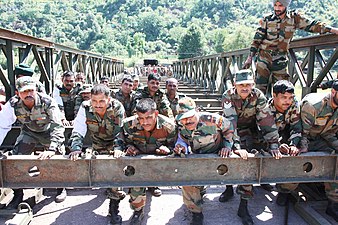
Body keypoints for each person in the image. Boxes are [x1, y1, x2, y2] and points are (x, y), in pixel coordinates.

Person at [221, 69, 281, 225]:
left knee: (259, 153)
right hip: (231, 130)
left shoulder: (258, 96)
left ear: (253, 84)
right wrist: (235, 146)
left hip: (252, 129)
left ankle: (246, 201)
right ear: (235, 85)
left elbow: (266, 119)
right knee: (229, 155)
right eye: (241, 85)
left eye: (248, 84)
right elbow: (230, 123)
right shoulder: (228, 96)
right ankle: (228, 187)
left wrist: (273, 143)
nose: (245, 88)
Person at [243, 0, 338, 95]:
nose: (277, 8)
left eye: (280, 5)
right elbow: (257, 40)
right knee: (259, 89)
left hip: (280, 59)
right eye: (275, 5)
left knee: (283, 90)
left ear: (285, 6)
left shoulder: (294, 18)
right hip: (264, 58)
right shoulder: (267, 19)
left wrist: (332, 30)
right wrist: (249, 57)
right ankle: (260, 109)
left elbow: (312, 25)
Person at [0, 76, 66, 207]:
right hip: (29, 132)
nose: (29, 94)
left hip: (48, 132)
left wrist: (52, 149)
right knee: (15, 160)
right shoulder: (13, 104)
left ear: (36, 90)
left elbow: (57, 126)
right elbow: (2, 125)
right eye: (24, 91)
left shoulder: (47, 102)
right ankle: (18, 193)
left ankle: (61, 187)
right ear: (17, 93)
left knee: (59, 158)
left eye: (31, 90)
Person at [173, 97, 238, 225]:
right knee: (188, 180)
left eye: (189, 116)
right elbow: (182, 139)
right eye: (183, 118)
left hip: (218, 153)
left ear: (196, 111)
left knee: (229, 173)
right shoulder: (180, 124)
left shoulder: (212, 119)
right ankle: (196, 212)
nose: (187, 121)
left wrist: (227, 146)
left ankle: (229, 188)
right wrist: (181, 146)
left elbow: (229, 127)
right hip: (199, 155)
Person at [69, 84, 126, 225]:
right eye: (94, 101)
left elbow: (120, 131)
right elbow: (79, 128)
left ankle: (114, 207)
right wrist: (76, 148)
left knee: (115, 172)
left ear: (109, 99)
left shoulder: (117, 107)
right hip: (98, 142)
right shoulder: (85, 107)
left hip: (114, 142)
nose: (97, 105)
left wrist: (118, 148)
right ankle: (109, 188)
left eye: (101, 101)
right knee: (102, 170)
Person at [123, 98, 177, 225]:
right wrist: (128, 148)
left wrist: (168, 150)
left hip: (158, 160)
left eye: (148, 118)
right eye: (141, 118)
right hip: (138, 159)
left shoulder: (168, 127)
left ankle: (153, 184)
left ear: (156, 114)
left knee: (153, 175)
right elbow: (122, 142)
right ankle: (137, 211)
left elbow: (175, 146)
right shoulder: (128, 125)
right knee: (136, 182)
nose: (144, 122)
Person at [300, 80, 338, 221]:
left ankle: (333, 203)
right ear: (333, 92)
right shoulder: (314, 105)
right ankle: (285, 190)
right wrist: (303, 149)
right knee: (296, 161)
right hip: (302, 138)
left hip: (322, 138)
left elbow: (330, 133)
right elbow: (302, 132)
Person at [267, 80, 305, 206]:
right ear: (274, 95)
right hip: (265, 137)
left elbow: (296, 127)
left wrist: (293, 145)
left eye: (290, 98)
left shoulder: (293, 105)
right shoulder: (266, 109)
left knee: (296, 152)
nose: (287, 101)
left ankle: (285, 189)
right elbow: (265, 131)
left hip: (284, 134)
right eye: (284, 97)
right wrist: (277, 145)